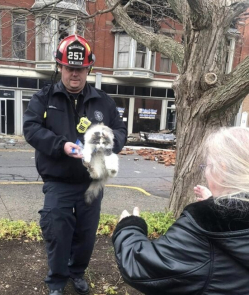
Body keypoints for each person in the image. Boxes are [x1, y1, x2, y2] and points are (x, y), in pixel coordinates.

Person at [23, 34, 127, 295]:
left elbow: (121, 130)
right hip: (57, 181)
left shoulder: (103, 100)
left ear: (87, 69)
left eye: (80, 69)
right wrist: (61, 146)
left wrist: (109, 142)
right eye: (69, 68)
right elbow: (31, 129)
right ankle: (57, 281)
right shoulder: (44, 98)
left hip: (92, 182)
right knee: (57, 232)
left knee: (86, 234)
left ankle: (77, 273)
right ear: (60, 67)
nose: (75, 74)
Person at [112, 127, 249, 295]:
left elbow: (140, 268)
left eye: (207, 165)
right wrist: (216, 201)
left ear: (223, 168)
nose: (205, 172)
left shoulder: (204, 229)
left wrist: (129, 227)